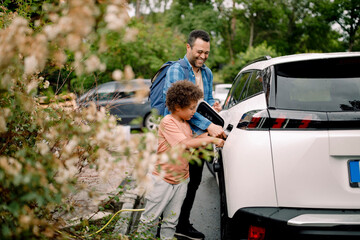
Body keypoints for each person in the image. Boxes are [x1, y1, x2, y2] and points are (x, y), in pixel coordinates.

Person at [137, 81, 224, 240]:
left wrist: (216, 135)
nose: (194, 112)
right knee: (150, 218)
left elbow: (195, 139)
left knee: (171, 220)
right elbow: (185, 144)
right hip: (162, 179)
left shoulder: (185, 123)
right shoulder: (168, 122)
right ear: (178, 107)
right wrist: (212, 141)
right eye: (191, 108)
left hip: (181, 180)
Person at [163, 30, 226, 240]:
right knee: (174, 183)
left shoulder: (207, 73)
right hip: (180, 136)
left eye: (207, 53)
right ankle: (162, 226)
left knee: (194, 182)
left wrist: (213, 107)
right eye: (199, 51)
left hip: (199, 138)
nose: (203, 56)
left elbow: (203, 101)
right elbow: (178, 108)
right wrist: (209, 125)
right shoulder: (176, 70)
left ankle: (182, 224)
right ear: (188, 47)